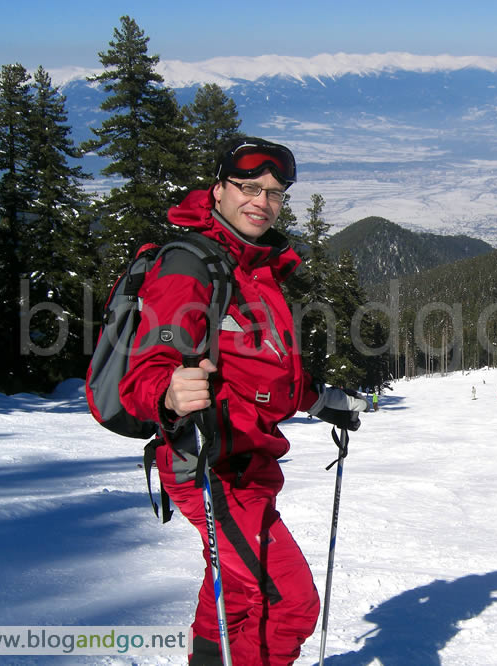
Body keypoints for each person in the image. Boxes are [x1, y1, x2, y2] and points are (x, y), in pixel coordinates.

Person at [118, 137, 369, 665]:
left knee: (234, 596)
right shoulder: (188, 266)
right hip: (210, 468)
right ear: (218, 189)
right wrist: (167, 393)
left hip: (248, 464)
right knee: (290, 605)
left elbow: (265, 367)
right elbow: (146, 371)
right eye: (249, 187)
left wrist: (320, 401)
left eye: (275, 193)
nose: (263, 201)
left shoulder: (253, 268)